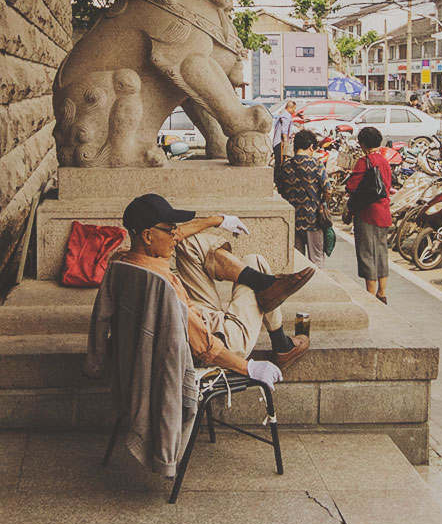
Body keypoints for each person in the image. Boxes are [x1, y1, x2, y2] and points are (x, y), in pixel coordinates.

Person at [88, 193, 315, 387]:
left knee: (190, 243)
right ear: (148, 236)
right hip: (223, 341)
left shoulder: (120, 263)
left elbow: (100, 317)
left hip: (202, 317)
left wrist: (216, 220)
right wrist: (249, 367)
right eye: (170, 230)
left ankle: (265, 286)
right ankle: (280, 339)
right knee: (255, 261)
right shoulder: (165, 287)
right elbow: (204, 347)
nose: (175, 234)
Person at [344, 126, 392, 303]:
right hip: (384, 213)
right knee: (381, 252)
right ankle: (382, 292)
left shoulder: (365, 162)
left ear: (362, 144)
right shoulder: (385, 161)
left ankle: (370, 295)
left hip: (368, 213)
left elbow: (352, 186)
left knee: (367, 253)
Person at [276, 128, 331, 267]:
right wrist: (323, 203)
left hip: (292, 219)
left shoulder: (286, 165)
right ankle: (318, 285)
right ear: (311, 147)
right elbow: (328, 189)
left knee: (297, 260)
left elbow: (281, 190)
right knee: (316, 259)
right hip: (313, 219)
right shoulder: (316, 164)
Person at [272, 99, 297, 172]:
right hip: (281, 142)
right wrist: (285, 142)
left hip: (277, 141)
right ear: (289, 107)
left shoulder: (282, 114)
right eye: (293, 109)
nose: (294, 111)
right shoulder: (286, 115)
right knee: (280, 163)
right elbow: (284, 130)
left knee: (279, 162)